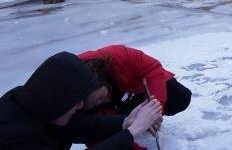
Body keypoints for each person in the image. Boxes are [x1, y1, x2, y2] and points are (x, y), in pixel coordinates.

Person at [0, 51, 162, 149]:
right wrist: (131, 133)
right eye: (76, 99)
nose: (81, 105)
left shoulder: (34, 104)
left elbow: (78, 126)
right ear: (58, 98)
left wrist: (125, 122)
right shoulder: (16, 138)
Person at [80, 45, 191, 118]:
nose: (102, 101)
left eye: (101, 96)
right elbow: (95, 134)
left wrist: (155, 111)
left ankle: (137, 108)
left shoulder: (118, 55)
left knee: (180, 97)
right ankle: (129, 116)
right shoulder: (71, 103)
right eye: (95, 104)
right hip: (121, 94)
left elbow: (153, 70)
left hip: (140, 84)